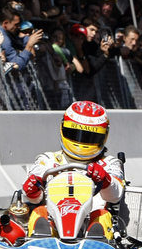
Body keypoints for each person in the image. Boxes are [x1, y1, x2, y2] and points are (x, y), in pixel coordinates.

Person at [20, 101, 125, 240]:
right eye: (75, 134)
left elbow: (115, 196)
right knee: (39, 212)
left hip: (91, 222)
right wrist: (32, 189)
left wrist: (105, 179)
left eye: (89, 137)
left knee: (103, 216)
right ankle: (41, 241)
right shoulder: (48, 160)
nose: (81, 142)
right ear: (63, 129)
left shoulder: (108, 163)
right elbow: (33, 198)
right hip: (55, 222)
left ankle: (96, 242)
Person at [0, 6, 42, 71]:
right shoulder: (3, 39)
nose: (19, 27)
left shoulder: (9, 32)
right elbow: (15, 64)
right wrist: (29, 45)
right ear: (5, 23)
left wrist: (25, 36)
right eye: (16, 24)